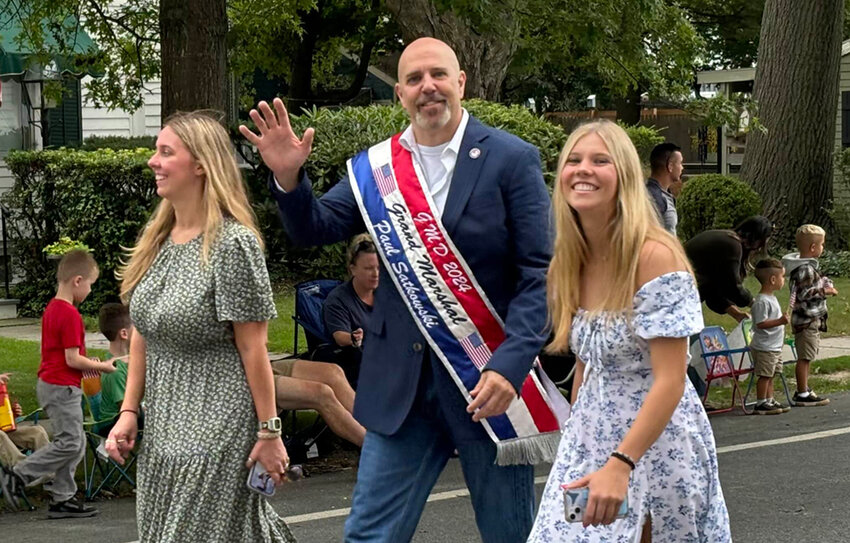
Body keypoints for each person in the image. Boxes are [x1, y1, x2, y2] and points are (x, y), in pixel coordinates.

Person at [241, 37, 567, 542]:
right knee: (369, 536)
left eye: (438, 75)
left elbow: (538, 275)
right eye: (414, 79)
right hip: (401, 392)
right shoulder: (376, 169)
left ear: (461, 83)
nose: (427, 87)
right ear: (399, 94)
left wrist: (511, 364)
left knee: (509, 533)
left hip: (486, 383)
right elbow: (313, 228)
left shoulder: (511, 159)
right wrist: (288, 178)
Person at [528, 120, 730, 542]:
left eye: (600, 160)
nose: (583, 169)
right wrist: (577, 439)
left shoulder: (655, 256)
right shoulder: (574, 258)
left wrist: (622, 462)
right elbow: (588, 360)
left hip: (653, 445)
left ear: (623, 177)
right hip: (590, 438)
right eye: (574, 160)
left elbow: (671, 378)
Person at [105, 111, 295, 542]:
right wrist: (128, 412)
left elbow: (253, 349)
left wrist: (269, 431)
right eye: (156, 150)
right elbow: (142, 335)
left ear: (201, 164)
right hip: (163, 430)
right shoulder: (157, 240)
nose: (153, 160)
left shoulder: (233, 244)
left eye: (166, 151)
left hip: (219, 425)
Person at [11, 250, 115, 519]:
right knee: (70, 443)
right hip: (61, 387)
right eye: (91, 284)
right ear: (77, 281)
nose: (90, 290)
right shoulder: (69, 314)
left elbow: (67, 355)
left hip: (54, 384)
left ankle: (63, 498)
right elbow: (71, 359)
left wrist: (86, 362)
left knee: (76, 442)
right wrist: (101, 366)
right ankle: (18, 475)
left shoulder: (53, 309)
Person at [782, 224, 837, 407]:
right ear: (813, 247)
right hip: (806, 320)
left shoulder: (806, 268)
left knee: (808, 354)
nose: (823, 248)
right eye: (822, 244)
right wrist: (825, 290)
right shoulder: (805, 269)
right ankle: (802, 392)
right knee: (804, 357)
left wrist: (823, 282)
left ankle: (804, 388)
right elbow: (805, 293)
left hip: (809, 320)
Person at [684, 215, 773, 322]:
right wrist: (754, 304)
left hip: (679, 291)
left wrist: (737, 314)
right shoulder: (732, 245)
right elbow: (733, 286)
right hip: (679, 292)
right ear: (757, 238)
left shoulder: (726, 239)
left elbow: (714, 291)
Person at [321, 233, 379, 387]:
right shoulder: (337, 300)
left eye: (378, 268)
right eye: (368, 268)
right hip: (356, 367)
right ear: (353, 269)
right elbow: (340, 336)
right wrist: (354, 338)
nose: (375, 274)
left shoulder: (387, 295)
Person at [750, 258, 791, 415]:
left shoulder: (772, 298)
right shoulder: (761, 301)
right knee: (765, 375)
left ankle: (770, 399)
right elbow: (760, 324)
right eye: (782, 277)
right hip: (765, 347)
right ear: (773, 279)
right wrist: (780, 321)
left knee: (772, 374)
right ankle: (761, 402)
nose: (783, 280)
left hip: (774, 346)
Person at [95, 303, 138, 436]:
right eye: (135, 329)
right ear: (124, 333)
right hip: (113, 423)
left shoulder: (117, 361)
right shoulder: (115, 370)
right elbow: (125, 408)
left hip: (121, 417)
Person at [0, 373, 49, 468]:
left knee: (37, 432)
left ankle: (50, 473)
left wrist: (12, 412)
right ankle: (24, 470)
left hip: (5, 431)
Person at [645, 142, 683, 235]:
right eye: (680, 163)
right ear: (670, 166)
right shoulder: (654, 198)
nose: (682, 167)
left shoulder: (662, 194)